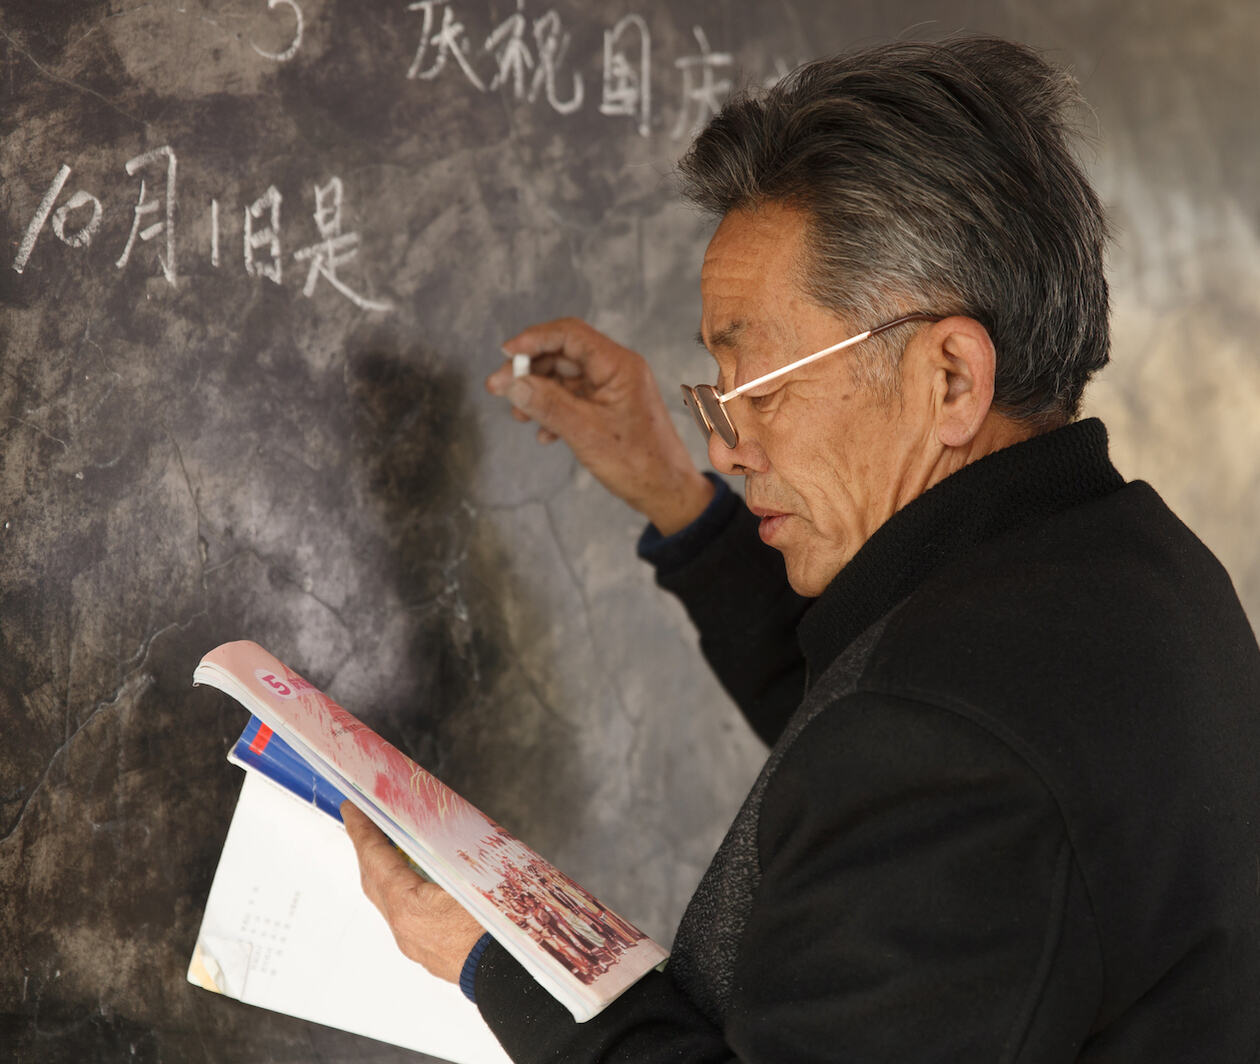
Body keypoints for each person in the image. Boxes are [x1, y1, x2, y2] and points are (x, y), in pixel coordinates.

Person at [341, 36, 1260, 1061]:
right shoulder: (1123, 569)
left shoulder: (948, 741)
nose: (729, 445)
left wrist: (505, 956)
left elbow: (908, 745)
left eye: (759, 388)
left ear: (950, 378)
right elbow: (873, 713)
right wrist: (676, 501)